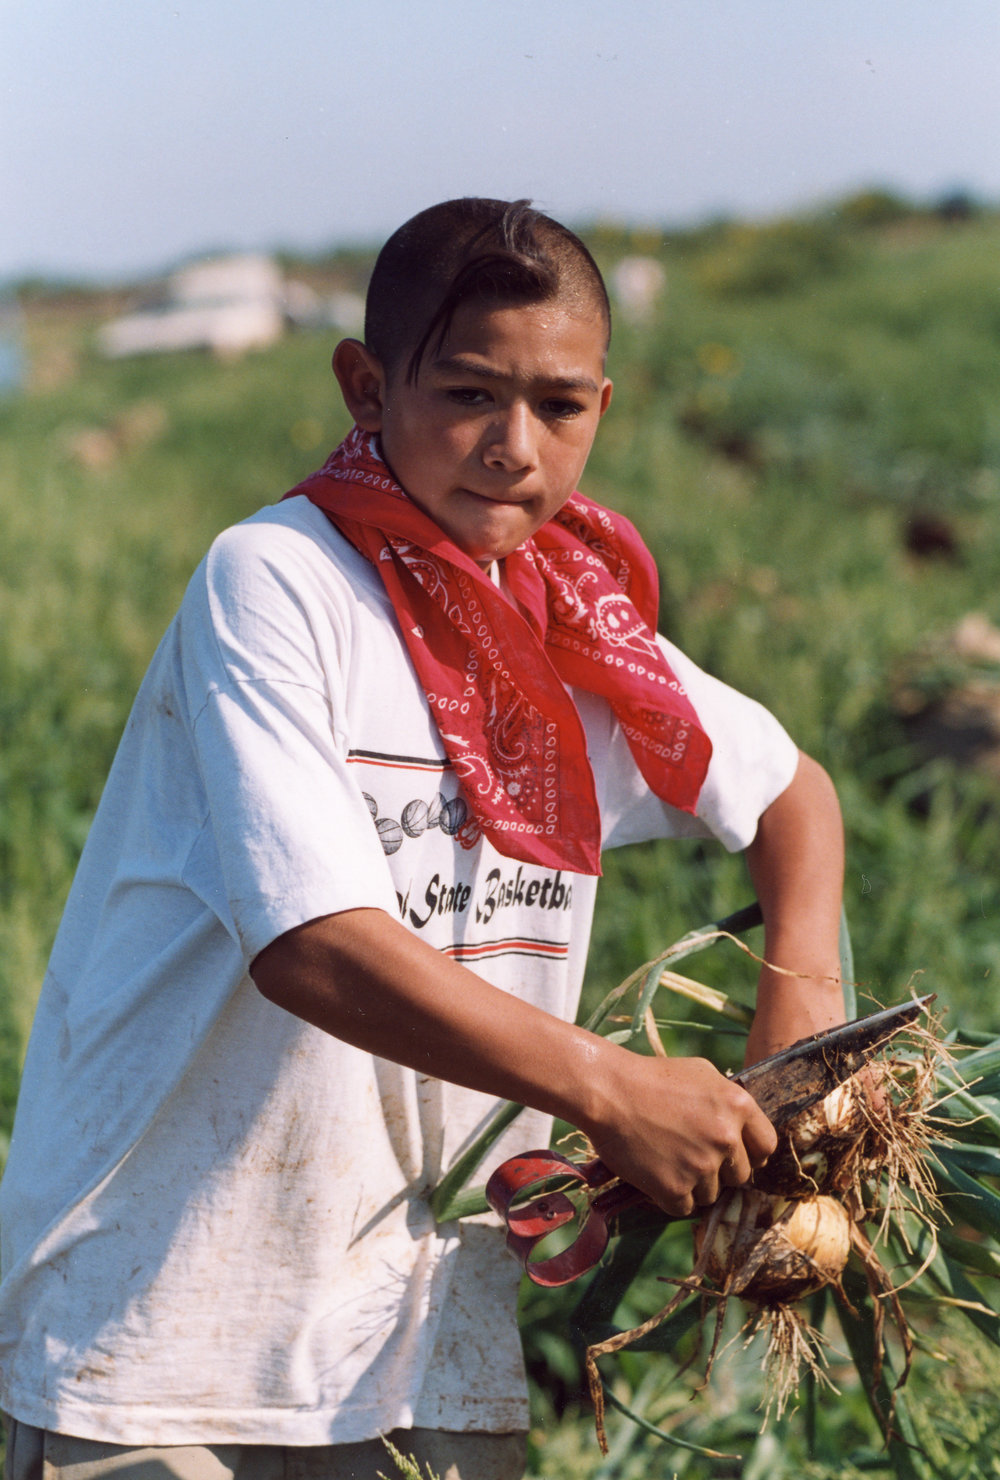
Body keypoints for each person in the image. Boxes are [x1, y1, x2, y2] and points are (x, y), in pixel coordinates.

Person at [0, 198, 846, 1480]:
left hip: (416, 1344)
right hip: (162, 1340)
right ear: (364, 384)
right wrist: (612, 1089)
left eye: (558, 407)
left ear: (602, 408)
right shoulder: (280, 582)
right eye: (466, 395)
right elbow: (313, 945)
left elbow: (796, 799)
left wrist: (797, 1007)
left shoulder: (574, 624)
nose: (514, 449)